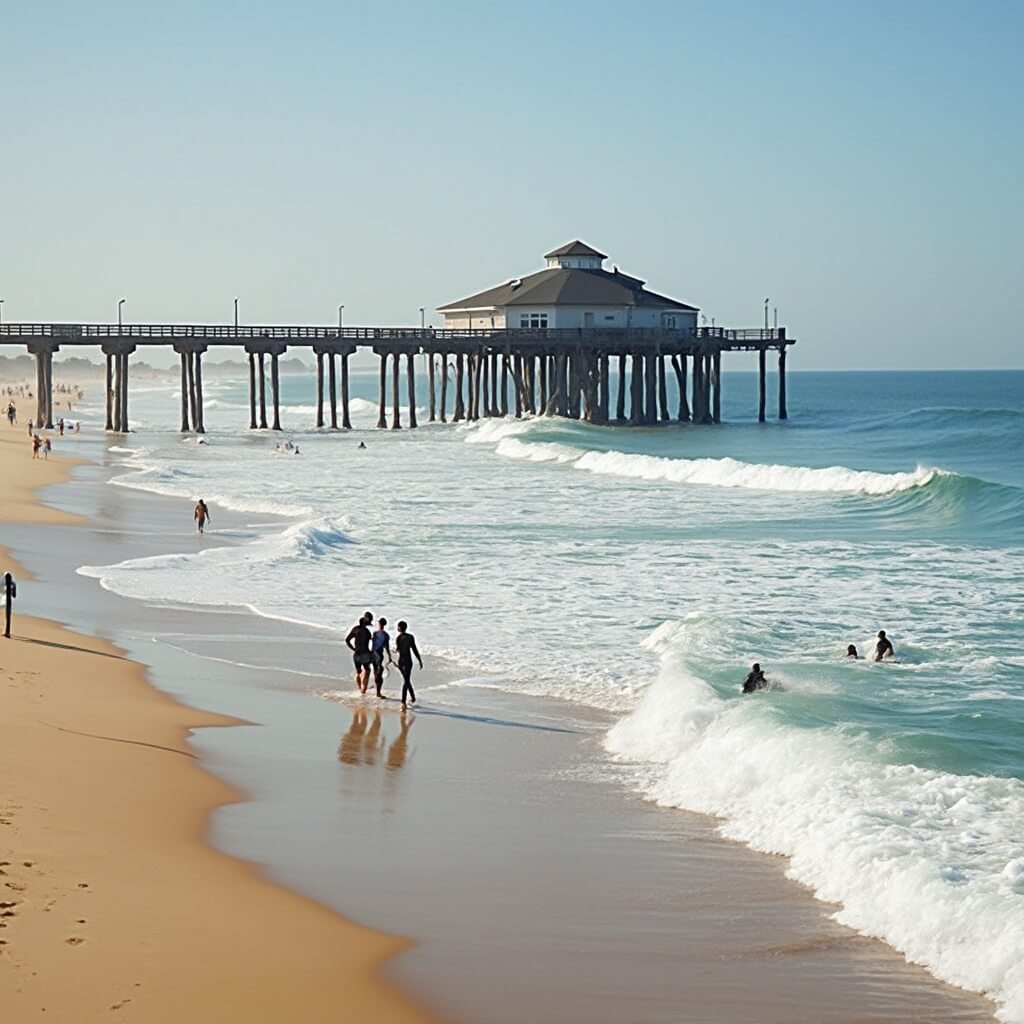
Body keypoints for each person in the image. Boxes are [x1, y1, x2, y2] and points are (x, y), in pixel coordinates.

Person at [394, 620, 423, 710]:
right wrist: (419, 659)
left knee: (406, 680)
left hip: (401, 661)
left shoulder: (398, 638)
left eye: (398, 627)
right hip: (408, 661)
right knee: (406, 680)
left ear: (399, 628)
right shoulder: (410, 637)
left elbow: (398, 650)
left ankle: (404, 702)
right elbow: (414, 649)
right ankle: (412, 697)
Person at [345, 613, 374, 694]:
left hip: (357, 654)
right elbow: (369, 642)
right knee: (367, 670)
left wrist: (353, 649)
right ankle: (363, 688)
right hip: (365, 654)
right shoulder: (367, 632)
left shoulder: (355, 629)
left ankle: (360, 688)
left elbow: (347, 640)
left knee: (358, 672)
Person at [370, 617, 393, 697]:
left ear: (379, 624)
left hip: (373, 654)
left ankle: (377, 690)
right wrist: (389, 656)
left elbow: (373, 643)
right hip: (379, 654)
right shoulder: (385, 635)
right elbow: (386, 647)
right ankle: (378, 692)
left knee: (376, 671)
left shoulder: (375, 633)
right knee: (378, 672)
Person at [3, 572, 16, 639]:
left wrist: (11, 590)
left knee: (8, 617)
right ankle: (6, 632)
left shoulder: (11, 584)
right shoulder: (11, 584)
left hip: (8, 601)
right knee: (7, 617)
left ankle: (7, 632)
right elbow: (14, 595)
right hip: (6, 601)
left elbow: (14, 595)